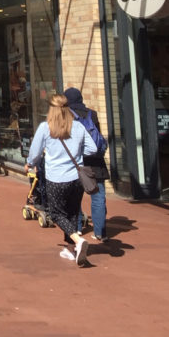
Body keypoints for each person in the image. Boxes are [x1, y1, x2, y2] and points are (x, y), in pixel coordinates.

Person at [27, 94, 97, 266]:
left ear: (51, 109)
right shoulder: (78, 127)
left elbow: (35, 152)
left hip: (57, 178)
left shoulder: (45, 127)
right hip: (77, 178)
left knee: (56, 213)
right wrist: (78, 154)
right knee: (73, 212)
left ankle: (77, 241)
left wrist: (29, 164)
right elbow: (93, 148)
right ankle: (70, 249)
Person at [64, 87, 109, 242]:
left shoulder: (67, 115)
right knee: (98, 197)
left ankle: (76, 229)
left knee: (75, 197)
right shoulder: (92, 114)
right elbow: (99, 137)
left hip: (76, 162)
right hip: (96, 162)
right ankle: (100, 232)